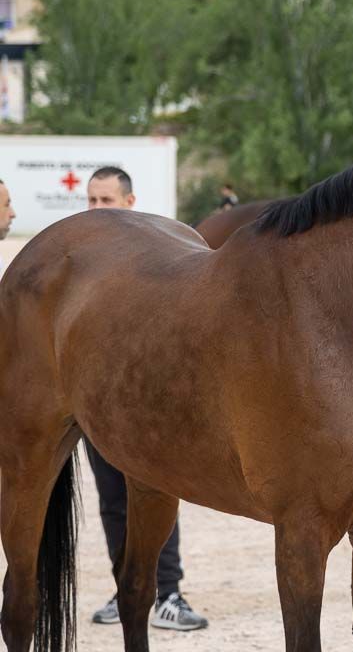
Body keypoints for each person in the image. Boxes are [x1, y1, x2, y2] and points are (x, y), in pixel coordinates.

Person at [84, 167, 209, 631]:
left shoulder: (155, 252)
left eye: (107, 201)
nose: (97, 210)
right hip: (99, 402)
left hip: (150, 404)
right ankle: (127, 589)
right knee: (113, 500)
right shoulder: (82, 262)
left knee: (158, 496)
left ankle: (168, 593)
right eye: (92, 201)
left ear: (130, 203)